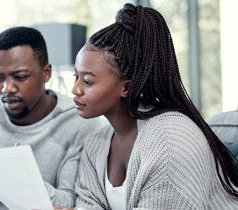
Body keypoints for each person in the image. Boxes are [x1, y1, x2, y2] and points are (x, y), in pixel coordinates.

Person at [57, 3, 238, 210]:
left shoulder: (170, 140)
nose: (75, 89)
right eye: (76, 77)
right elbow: (89, 205)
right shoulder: (95, 144)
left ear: (126, 87)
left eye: (88, 81)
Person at [0, 26, 104, 210]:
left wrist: (25, 179)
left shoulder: (79, 122)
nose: (7, 88)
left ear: (46, 73)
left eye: (20, 77)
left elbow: (74, 204)